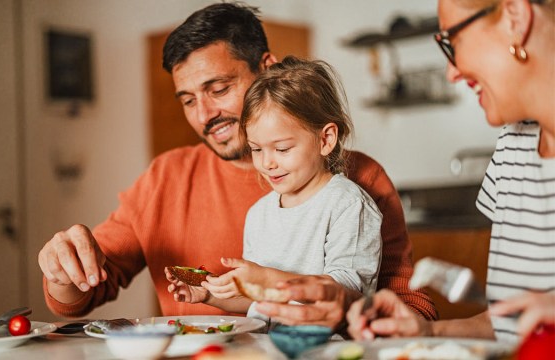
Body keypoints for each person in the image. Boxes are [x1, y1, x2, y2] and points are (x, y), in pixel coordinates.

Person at [38, 2, 436, 322]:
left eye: (219, 88)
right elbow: (82, 293)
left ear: (266, 69)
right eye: (189, 100)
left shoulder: (359, 179)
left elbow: (409, 307)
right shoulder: (166, 178)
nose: (205, 114)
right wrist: (64, 268)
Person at [343, 0, 554, 345]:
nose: (451, 72)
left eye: (452, 43)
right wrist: (428, 331)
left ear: (516, 17)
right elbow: (512, 324)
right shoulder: (514, 145)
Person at [165, 56, 383, 315]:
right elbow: (257, 301)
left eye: (282, 148)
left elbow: (348, 291)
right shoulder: (259, 212)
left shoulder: (347, 205)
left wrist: (269, 279)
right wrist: (210, 295)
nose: (267, 163)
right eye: (256, 149)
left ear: (325, 139)